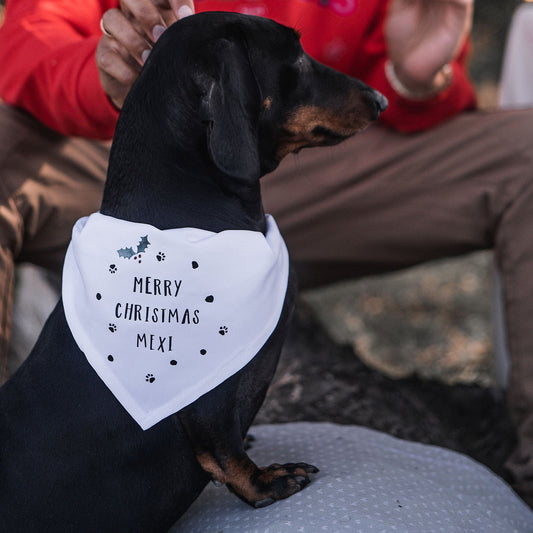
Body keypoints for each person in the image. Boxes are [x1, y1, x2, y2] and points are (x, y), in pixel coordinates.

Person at [1, 0, 533, 506]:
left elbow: (394, 101)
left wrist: (415, 82)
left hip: (319, 173)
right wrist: (102, 76)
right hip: (127, 162)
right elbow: (25, 41)